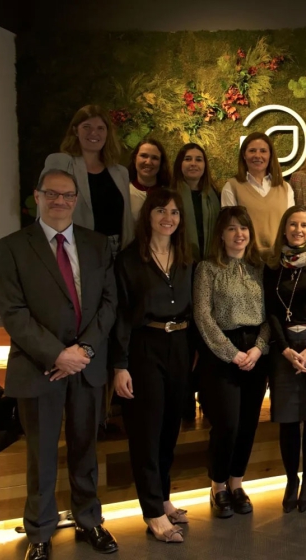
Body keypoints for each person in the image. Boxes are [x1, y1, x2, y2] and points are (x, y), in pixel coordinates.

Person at [0, 169, 119, 560]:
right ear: (37, 196)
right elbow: (13, 313)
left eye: (67, 195)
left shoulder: (98, 245)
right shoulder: (12, 247)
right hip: (38, 366)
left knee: (85, 448)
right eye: (52, 194)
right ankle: (40, 531)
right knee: (41, 453)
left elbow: (109, 304)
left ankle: (88, 519)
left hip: (87, 366)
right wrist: (58, 354)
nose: (60, 201)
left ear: (76, 199)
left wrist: (84, 352)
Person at [110, 188, 193, 543]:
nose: (168, 218)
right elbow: (120, 317)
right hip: (144, 346)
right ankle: (153, 514)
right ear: (148, 216)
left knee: (171, 426)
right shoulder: (129, 260)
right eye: (161, 211)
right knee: (147, 431)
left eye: (174, 212)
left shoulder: (187, 256)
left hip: (180, 345)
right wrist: (121, 365)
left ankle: (164, 496)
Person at [193, 207, 270, 518]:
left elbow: (271, 314)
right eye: (232, 229)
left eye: (244, 228)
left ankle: (237, 484)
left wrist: (259, 348)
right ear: (221, 234)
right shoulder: (207, 269)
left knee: (249, 424)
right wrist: (232, 353)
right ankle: (218, 486)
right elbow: (203, 316)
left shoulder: (258, 267)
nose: (239, 234)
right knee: (228, 423)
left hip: (256, 353)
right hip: (221, 355)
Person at [263, 205, 306, 513]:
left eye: (304, 225)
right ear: (285, 227)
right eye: (293, 224)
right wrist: (285, 348)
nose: (299, 230)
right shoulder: (272, 265)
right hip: (284, 348)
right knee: (289, 419)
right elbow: (271, 311)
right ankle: (291, 479)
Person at [42, 104, 133, 253]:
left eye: (100, 128)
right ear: (75, 131)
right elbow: (46, 211)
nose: (93, 133)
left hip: (117, 253)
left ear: (107, 133)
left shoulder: (120, 172)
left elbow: (127, 221)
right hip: (76, 251)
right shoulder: (61, 164)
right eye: (87, 127)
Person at [221, 132, 296, 258]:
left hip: (279, 261)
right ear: (244, 155)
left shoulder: (285, 188)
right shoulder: (232, 187)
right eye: (252, 151)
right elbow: (229, 230)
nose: (257, 155)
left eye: (263, 151)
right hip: (247, 262)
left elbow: (291, 226)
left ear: (270, 155)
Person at [172, 143, 221, 262]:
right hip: (178, 261)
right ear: (180, 164)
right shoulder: (170, 194)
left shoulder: (215, 195)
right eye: (188, 159)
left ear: (204, 165)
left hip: (211, 262)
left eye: (198, 160)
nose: (193, 163)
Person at [127, 139, 171, 220]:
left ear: (161, 163)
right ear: (134, 159)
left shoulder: (169, 195)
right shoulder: (124, 193)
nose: (148, 162)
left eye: (155, 158)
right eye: (143, 156)